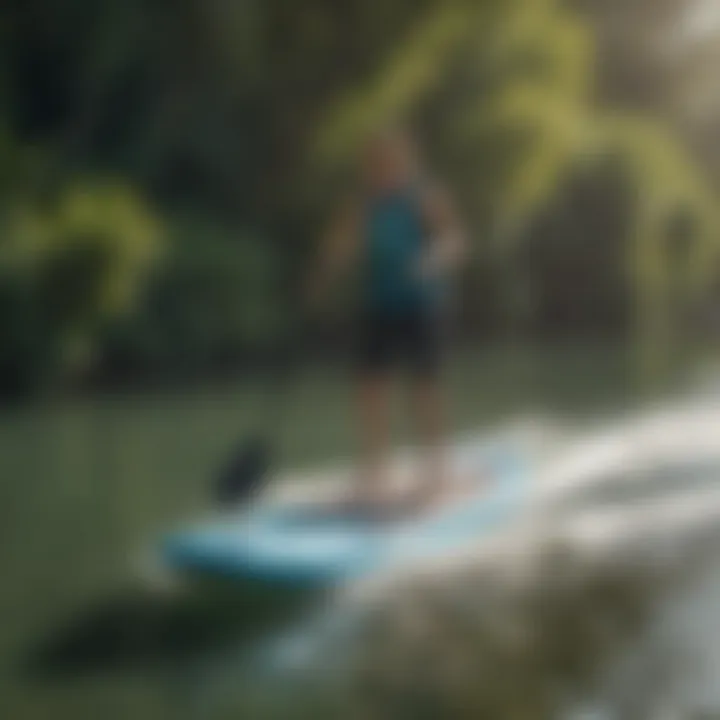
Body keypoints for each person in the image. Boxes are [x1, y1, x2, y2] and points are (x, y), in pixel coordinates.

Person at [310, 125, 466, 515]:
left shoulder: (425, 195)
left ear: (404, 159)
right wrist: (323, 275)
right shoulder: (362, 203)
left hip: (422, 302)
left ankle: (436, 469)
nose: (381, 166)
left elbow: (454, 241)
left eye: (388, 158)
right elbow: (342, 245)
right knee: (368, 385)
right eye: (374, 160)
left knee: (424, 385)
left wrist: (432, 260)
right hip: (379, 303)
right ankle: (377, 470)